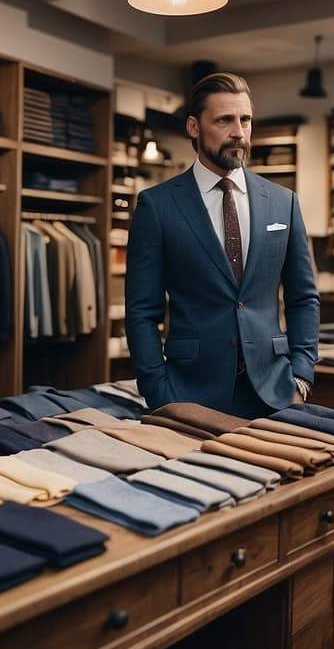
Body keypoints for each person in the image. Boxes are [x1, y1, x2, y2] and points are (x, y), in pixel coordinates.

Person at [125, 72, 319, 416]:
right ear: (194, 128)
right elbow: (142, 311)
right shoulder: (157, 206)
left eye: (245, 120)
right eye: (224, 120)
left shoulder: (283, 202)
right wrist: (159, 392)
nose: (239, 132)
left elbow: (303, 298)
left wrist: (301, 376)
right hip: (189, 393)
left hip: (274, 393)